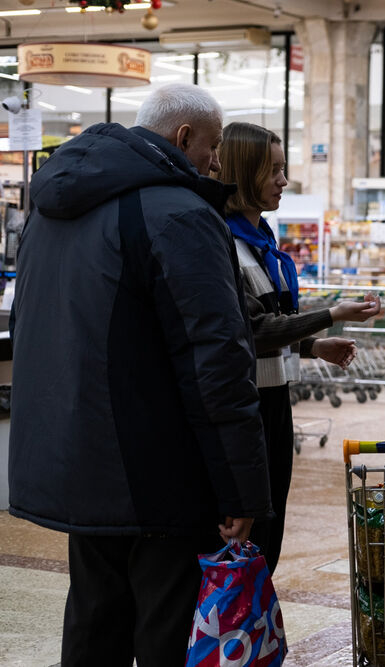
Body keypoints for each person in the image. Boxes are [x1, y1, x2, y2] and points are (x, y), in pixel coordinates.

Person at [8, 83, 271, 666]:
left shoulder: (50, 208)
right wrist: (240, 486)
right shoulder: (179, 213)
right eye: (214, 145)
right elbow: (216, 360)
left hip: (77, 460)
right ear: (183, 137)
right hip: (156, 470)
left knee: (94, 618)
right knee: (164, 628)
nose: (216, 161)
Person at [217, 121, 380, 573]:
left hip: (274, 402)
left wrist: (313, 346)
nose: (283, 181)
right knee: (252, 531)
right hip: (245, 405)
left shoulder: (261, 243)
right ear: (242, 172)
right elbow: (255, 329)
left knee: (270, 528)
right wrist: (332, 313)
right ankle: (233, 629)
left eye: (282, 169)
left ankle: (251, 623)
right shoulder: (225, 244)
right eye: (272, 170)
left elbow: (273, 327)